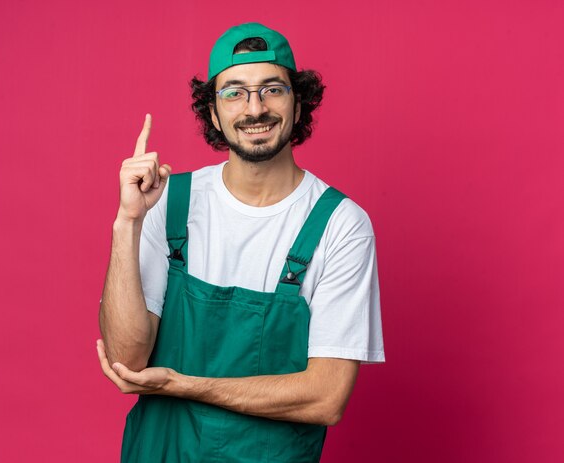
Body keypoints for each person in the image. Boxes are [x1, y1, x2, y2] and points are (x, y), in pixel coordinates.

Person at [97, 22, 385, 462]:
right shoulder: (168, 203)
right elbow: (127, 359)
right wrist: (127, 221)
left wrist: (183, 384)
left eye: (272, 89)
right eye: (234, 92)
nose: (255, 108)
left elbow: (325, 397)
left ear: (298, 102)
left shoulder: (340, 225)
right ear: (213, 112)